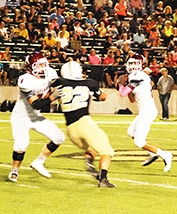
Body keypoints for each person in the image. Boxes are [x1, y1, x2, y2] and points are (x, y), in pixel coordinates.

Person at [51, 61, 115, 188]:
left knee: (93, 148)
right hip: (84, 123)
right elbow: (103, 97)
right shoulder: (89, 83)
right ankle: (103, 179)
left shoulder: (58, 83)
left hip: (70, 129)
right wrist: (94, 93)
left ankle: (89, 160)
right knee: (107, 151)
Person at [8, 52, 65, 182]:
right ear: (30, 67)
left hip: (36, 116)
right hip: (21, 117)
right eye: (38, 65)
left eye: (43, 64)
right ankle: (14, 171)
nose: (43, 68)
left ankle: (39, 162)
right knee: (21, 145)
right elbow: (36, 104)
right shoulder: (25, 80)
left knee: (59, 138)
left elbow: (58, 84)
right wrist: (52, 97)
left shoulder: (50, 73)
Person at [117, 53, 173, 172]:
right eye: (131, 63)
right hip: (145, 110)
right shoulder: (138, 76)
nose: (132, 66)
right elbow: (132, 100)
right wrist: (125, 85)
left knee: (139, 141)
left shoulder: (137, 75)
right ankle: (152, 153)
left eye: (134, 64)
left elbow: (122, 93)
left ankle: (165, 154)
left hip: (147, 111)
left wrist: (121, 84)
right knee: (131, 132)